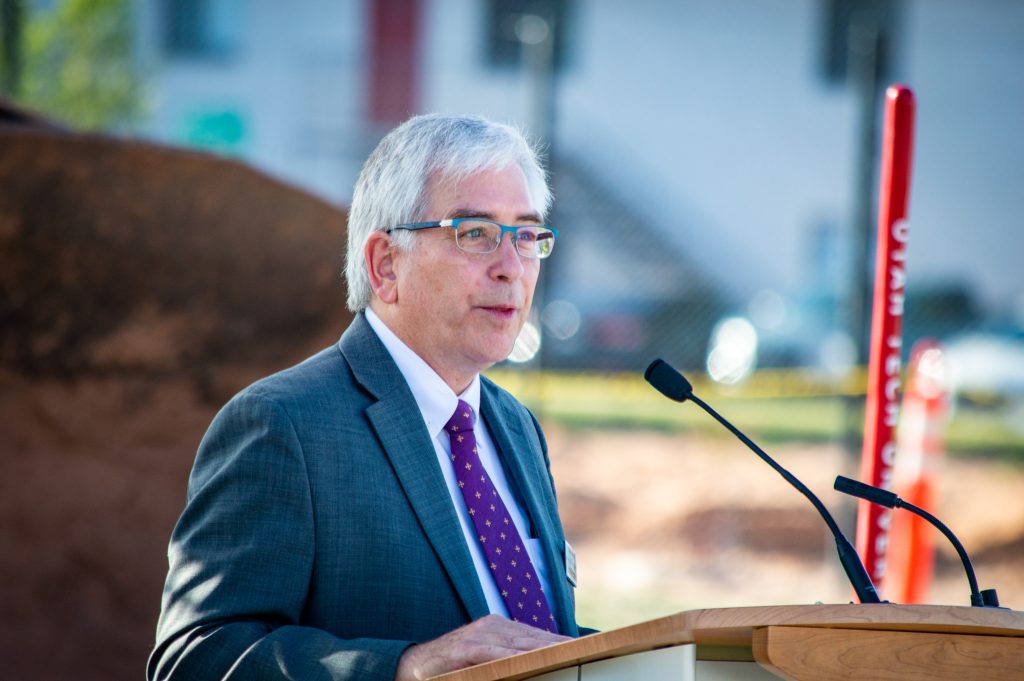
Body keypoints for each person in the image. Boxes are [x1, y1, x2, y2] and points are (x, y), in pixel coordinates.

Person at [148, 113, 588, 681]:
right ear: (385, 265)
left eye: (527, 236)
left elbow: (529, 637)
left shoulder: (513, 426)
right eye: (475, 233)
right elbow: (195, 658)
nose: (511, 268)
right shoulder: (281, 424)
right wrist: (402, 667)